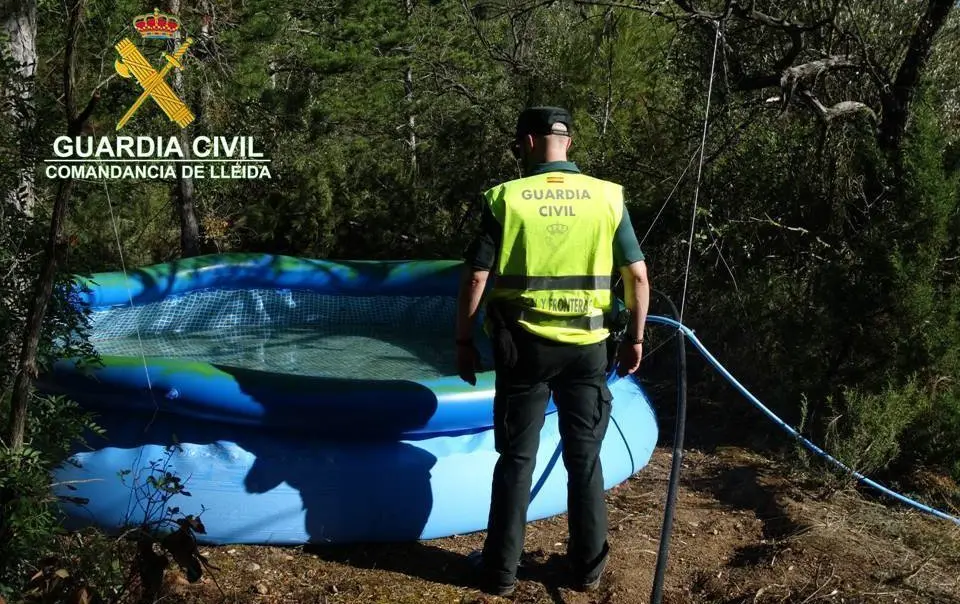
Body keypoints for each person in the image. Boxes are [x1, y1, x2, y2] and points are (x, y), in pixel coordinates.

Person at [455, 106, 650, 597]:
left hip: (523, 349)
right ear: (569, 143)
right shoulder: (607, 198)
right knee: (584, 458)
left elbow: (478, 275)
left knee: (516, 459)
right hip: (587, 349)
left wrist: (463, 339)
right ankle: (586, 570)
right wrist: (636, 339)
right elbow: (638, 276)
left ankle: (499, 573)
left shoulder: (506, 198)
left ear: (526, 142)